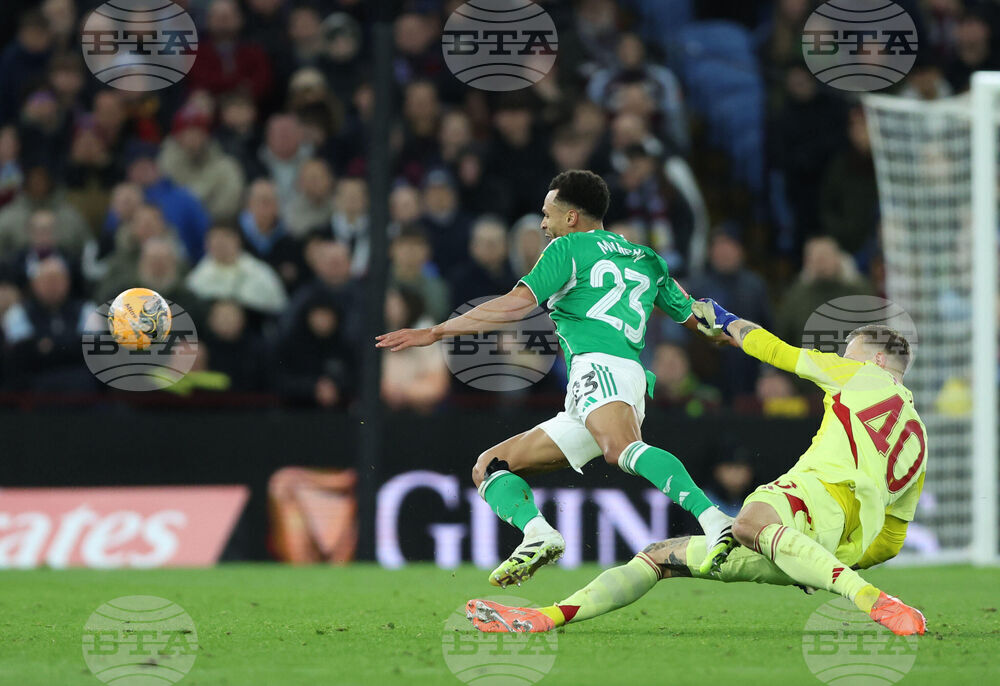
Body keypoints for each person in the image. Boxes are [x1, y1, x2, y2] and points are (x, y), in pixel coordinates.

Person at [467, 305, 927, 638]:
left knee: (746, 522)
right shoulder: (919, 439)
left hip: (816, 495)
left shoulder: (858, 375)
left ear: (878, 360)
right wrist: (825, 561)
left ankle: (870, 600)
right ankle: (545, 617)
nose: (843, 359)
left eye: (850, 353)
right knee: (659, 556)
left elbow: (778, 353)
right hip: (832, 543)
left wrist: (726, 321)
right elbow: (891, 538)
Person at [377, 170, 734, 587]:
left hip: (599, 367)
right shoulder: (647, 258)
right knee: (491, 467)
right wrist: (744, 333)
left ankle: (716, 520)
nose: (542, 224)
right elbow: (700, 321)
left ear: (571, 218)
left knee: (622, 449)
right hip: (615, 379)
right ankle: (538, 534)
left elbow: (514, 306)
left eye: (547, 214)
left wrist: (437, 331)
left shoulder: (567, 249)